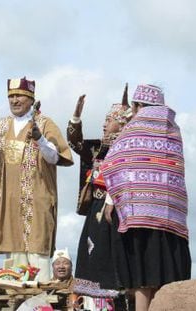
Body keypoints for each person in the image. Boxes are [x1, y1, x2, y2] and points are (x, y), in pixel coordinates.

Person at [102, 84, 191, 311]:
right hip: (170, 214)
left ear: (137, 105)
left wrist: (113, 200)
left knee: (142, 274)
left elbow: (113, 163)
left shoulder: (134, 129)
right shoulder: (173, 129)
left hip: (139, 215)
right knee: (165, 272)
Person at [0, 77, 73, 281]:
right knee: (13, 264)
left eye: (19, 95)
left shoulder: (45, 124)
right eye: (11, 96)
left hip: (37, 202)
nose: (14, 100)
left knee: (38, 259)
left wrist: (40, 139)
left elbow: (55, 157)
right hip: (9, 205)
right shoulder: (0, 127)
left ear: (31, 98)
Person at [67, 86, 132, 291]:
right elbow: (75, 143)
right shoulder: (97, 148)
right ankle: (93, 300)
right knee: (92, 254)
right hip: (96, 207)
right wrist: (76, 116)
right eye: (104, 120)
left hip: (118, 211)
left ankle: (120, 297)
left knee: (116, 257)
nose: (104, 124)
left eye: (109, 120)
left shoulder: (130, 146)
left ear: (122, 123)